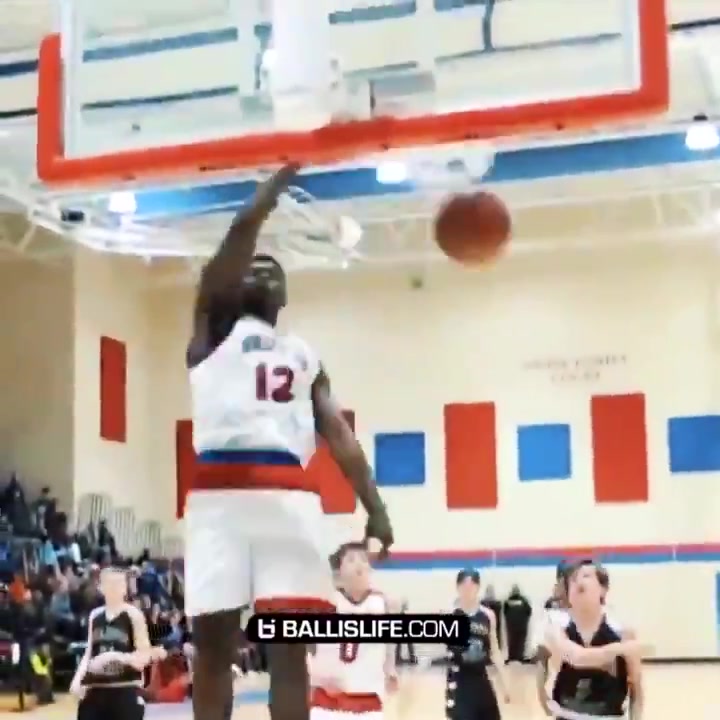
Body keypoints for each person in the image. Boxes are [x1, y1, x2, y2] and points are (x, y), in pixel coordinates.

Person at [184, 164, 394, 720]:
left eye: (272, 268)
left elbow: (340, 437)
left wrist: (375, 507)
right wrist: (267, 197)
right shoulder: (214, 330)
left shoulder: (302, 353)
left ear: (283, 299)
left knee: (287, 653)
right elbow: (235, 241)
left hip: (275, 497)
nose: (261, 267)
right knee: (215, 651)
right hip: (225, 496)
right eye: (253, 264)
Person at [542, 560, 646, 720]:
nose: (578, 581)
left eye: (586, 576)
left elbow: (636, 691)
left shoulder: (623, 631)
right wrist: (620, 649)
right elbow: (577, 657)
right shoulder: (556, 628)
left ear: (603, 589)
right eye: (573, 579)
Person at [309, 542, 397, 720]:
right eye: (351, 560)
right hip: (328, 700)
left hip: (368, 700)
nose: (359, 564)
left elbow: (389, 643)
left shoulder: (381, 603)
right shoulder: (326, 603)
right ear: (338, 571)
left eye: (364, 560)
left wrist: (391, 670)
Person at [69, 567, 165, 720]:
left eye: (119, 583)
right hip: (95, 688)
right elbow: (89, 652)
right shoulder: (95, 615)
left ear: (125, 588)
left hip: (124, 688)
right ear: (101, 587)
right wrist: (77, 679)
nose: (115, 587)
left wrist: (113, 657)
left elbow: (143, 658)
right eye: (110, 583)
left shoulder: (133, 615)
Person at [446, 569, 510, 720]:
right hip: (459, 679)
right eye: (464, 585)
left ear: (478, 587)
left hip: (481, 678)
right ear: (458, 587)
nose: (468, 590)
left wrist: (505, 683)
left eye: (472, 585)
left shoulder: (488, 615)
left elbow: (495, 651)